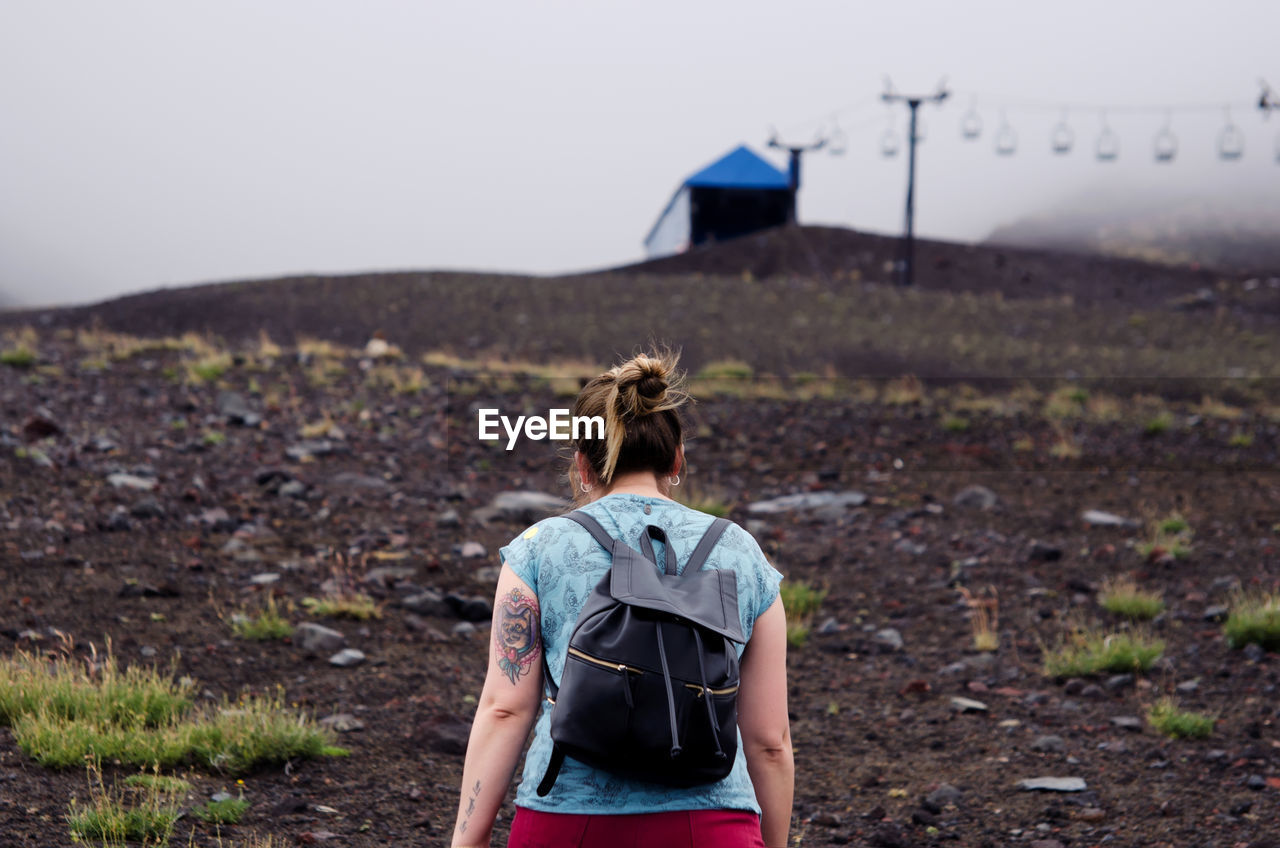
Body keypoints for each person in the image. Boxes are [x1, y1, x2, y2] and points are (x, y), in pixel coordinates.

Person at [451, 350, 793, 848]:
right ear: (676, 459)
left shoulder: (537, 548)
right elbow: (769, 741)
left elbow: (505, 710)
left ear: (583, 465)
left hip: (567, 820)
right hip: (712, 822)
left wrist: (468, 841)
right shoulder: (741, 552)